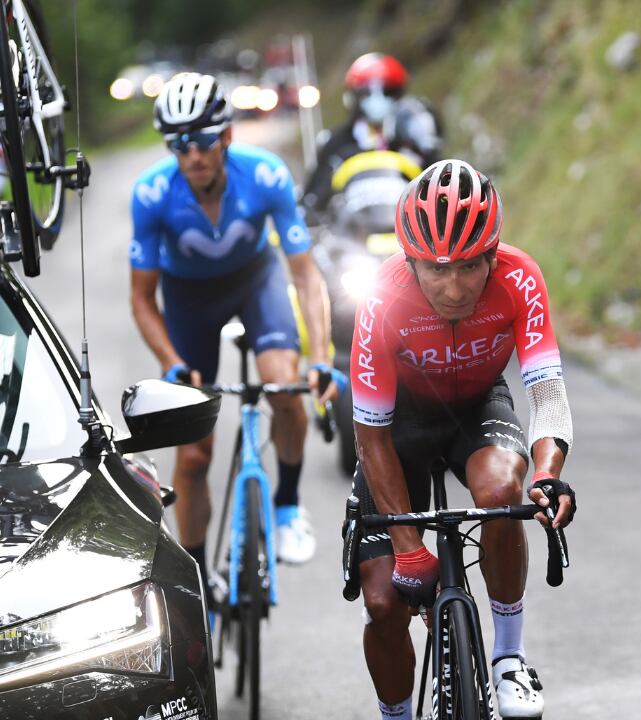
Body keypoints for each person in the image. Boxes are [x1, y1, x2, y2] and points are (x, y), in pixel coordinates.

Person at [351, 158, 576, 720]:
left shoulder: (521, 276)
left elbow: (547, 394)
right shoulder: (380, 297)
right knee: (383, 603)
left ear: (493, 255)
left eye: (471, 267)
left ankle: (508, 656)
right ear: (410, 262)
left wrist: (547, 474)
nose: (454, 288)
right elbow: (370, 435)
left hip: (477, 405)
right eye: (435, 269)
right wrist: (407, 549)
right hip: (398, 425)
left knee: (503, 494)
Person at [130, 73, 344, 593]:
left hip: (256, 280)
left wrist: (320, 355)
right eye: (180, 144)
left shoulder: (266, 175)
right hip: (189, 298)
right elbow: (142, 299)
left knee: (285, 387)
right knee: (195, 452)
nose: (194, 155)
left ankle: (288, 505)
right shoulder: (152, 194)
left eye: (204, 140)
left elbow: (304, 274)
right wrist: (170, 361)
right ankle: (199, 577)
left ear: (226, 136)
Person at [301, 52, 444, 217]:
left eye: (387, 91)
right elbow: (312, 201)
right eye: (368, 93)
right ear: (354, 96)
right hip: (350, 235)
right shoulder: (335, 143)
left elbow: (439, 188)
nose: (378, 100)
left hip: (407, 230)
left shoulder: (412, 139)